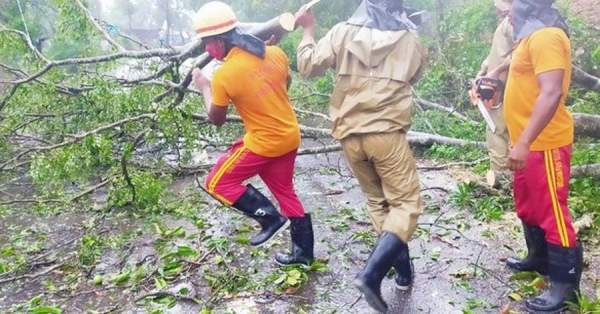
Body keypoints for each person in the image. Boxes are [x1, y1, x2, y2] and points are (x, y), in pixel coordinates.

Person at [294, 0, 428, 312]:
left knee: (379, 203)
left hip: (349, 135)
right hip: (386, 135)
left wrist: (309, 30)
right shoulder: (411, 40)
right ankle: (371, 274)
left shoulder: (341, 32)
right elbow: (415, 75)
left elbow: (308, 67)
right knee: (406, 204)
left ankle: (403, 270)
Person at [191, 1, 314, 266]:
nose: (206, 49)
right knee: (285, 191)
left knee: (216, 182)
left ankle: (270, 219)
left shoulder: (224, 75)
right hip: (289, 136)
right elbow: (285, 83)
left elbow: (217, 119)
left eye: (207, 42)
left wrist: (204, 86)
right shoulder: (275, 54)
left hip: (264, 143)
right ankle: (303, 254)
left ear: (221, 41)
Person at [498, 0, 583, 312]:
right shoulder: (529, 36)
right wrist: (495, 73)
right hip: (526, 142)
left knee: (552, 213)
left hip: (544, 143)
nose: (500, 7)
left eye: (508, 1)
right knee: (528, 205)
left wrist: (524, 142)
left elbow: (551, 92)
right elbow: (524, 71)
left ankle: (565, 287)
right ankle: (539, 259)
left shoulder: (547, 36)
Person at [473, 0, 514, 173]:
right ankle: (500, 173)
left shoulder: (515, 24)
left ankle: (502, 175)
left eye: (498, 2)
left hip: (509, 86)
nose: (496, 7)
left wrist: (496, 71)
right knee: (494, 127)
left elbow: (519, 53)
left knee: (499, 128)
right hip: (495, 86)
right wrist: (483, 72)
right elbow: (496, 53)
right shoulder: (506, 23)